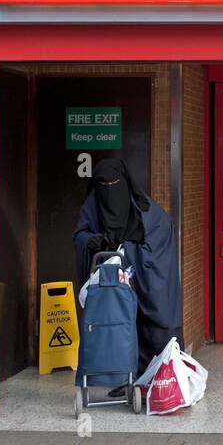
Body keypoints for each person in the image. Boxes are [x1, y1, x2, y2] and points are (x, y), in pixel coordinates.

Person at [73, 158, 182, 391]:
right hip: (114, 287)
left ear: (125, 182)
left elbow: (159, 243)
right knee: (119, 327)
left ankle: (160, 381)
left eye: (115, 183)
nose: (110, 190)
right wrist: (90, 241)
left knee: (153, 330)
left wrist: (128, 252)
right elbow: (80, 233)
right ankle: (129, 380)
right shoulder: (93, 205)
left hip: (148, 284)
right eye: (104, 185)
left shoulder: (147, 210)